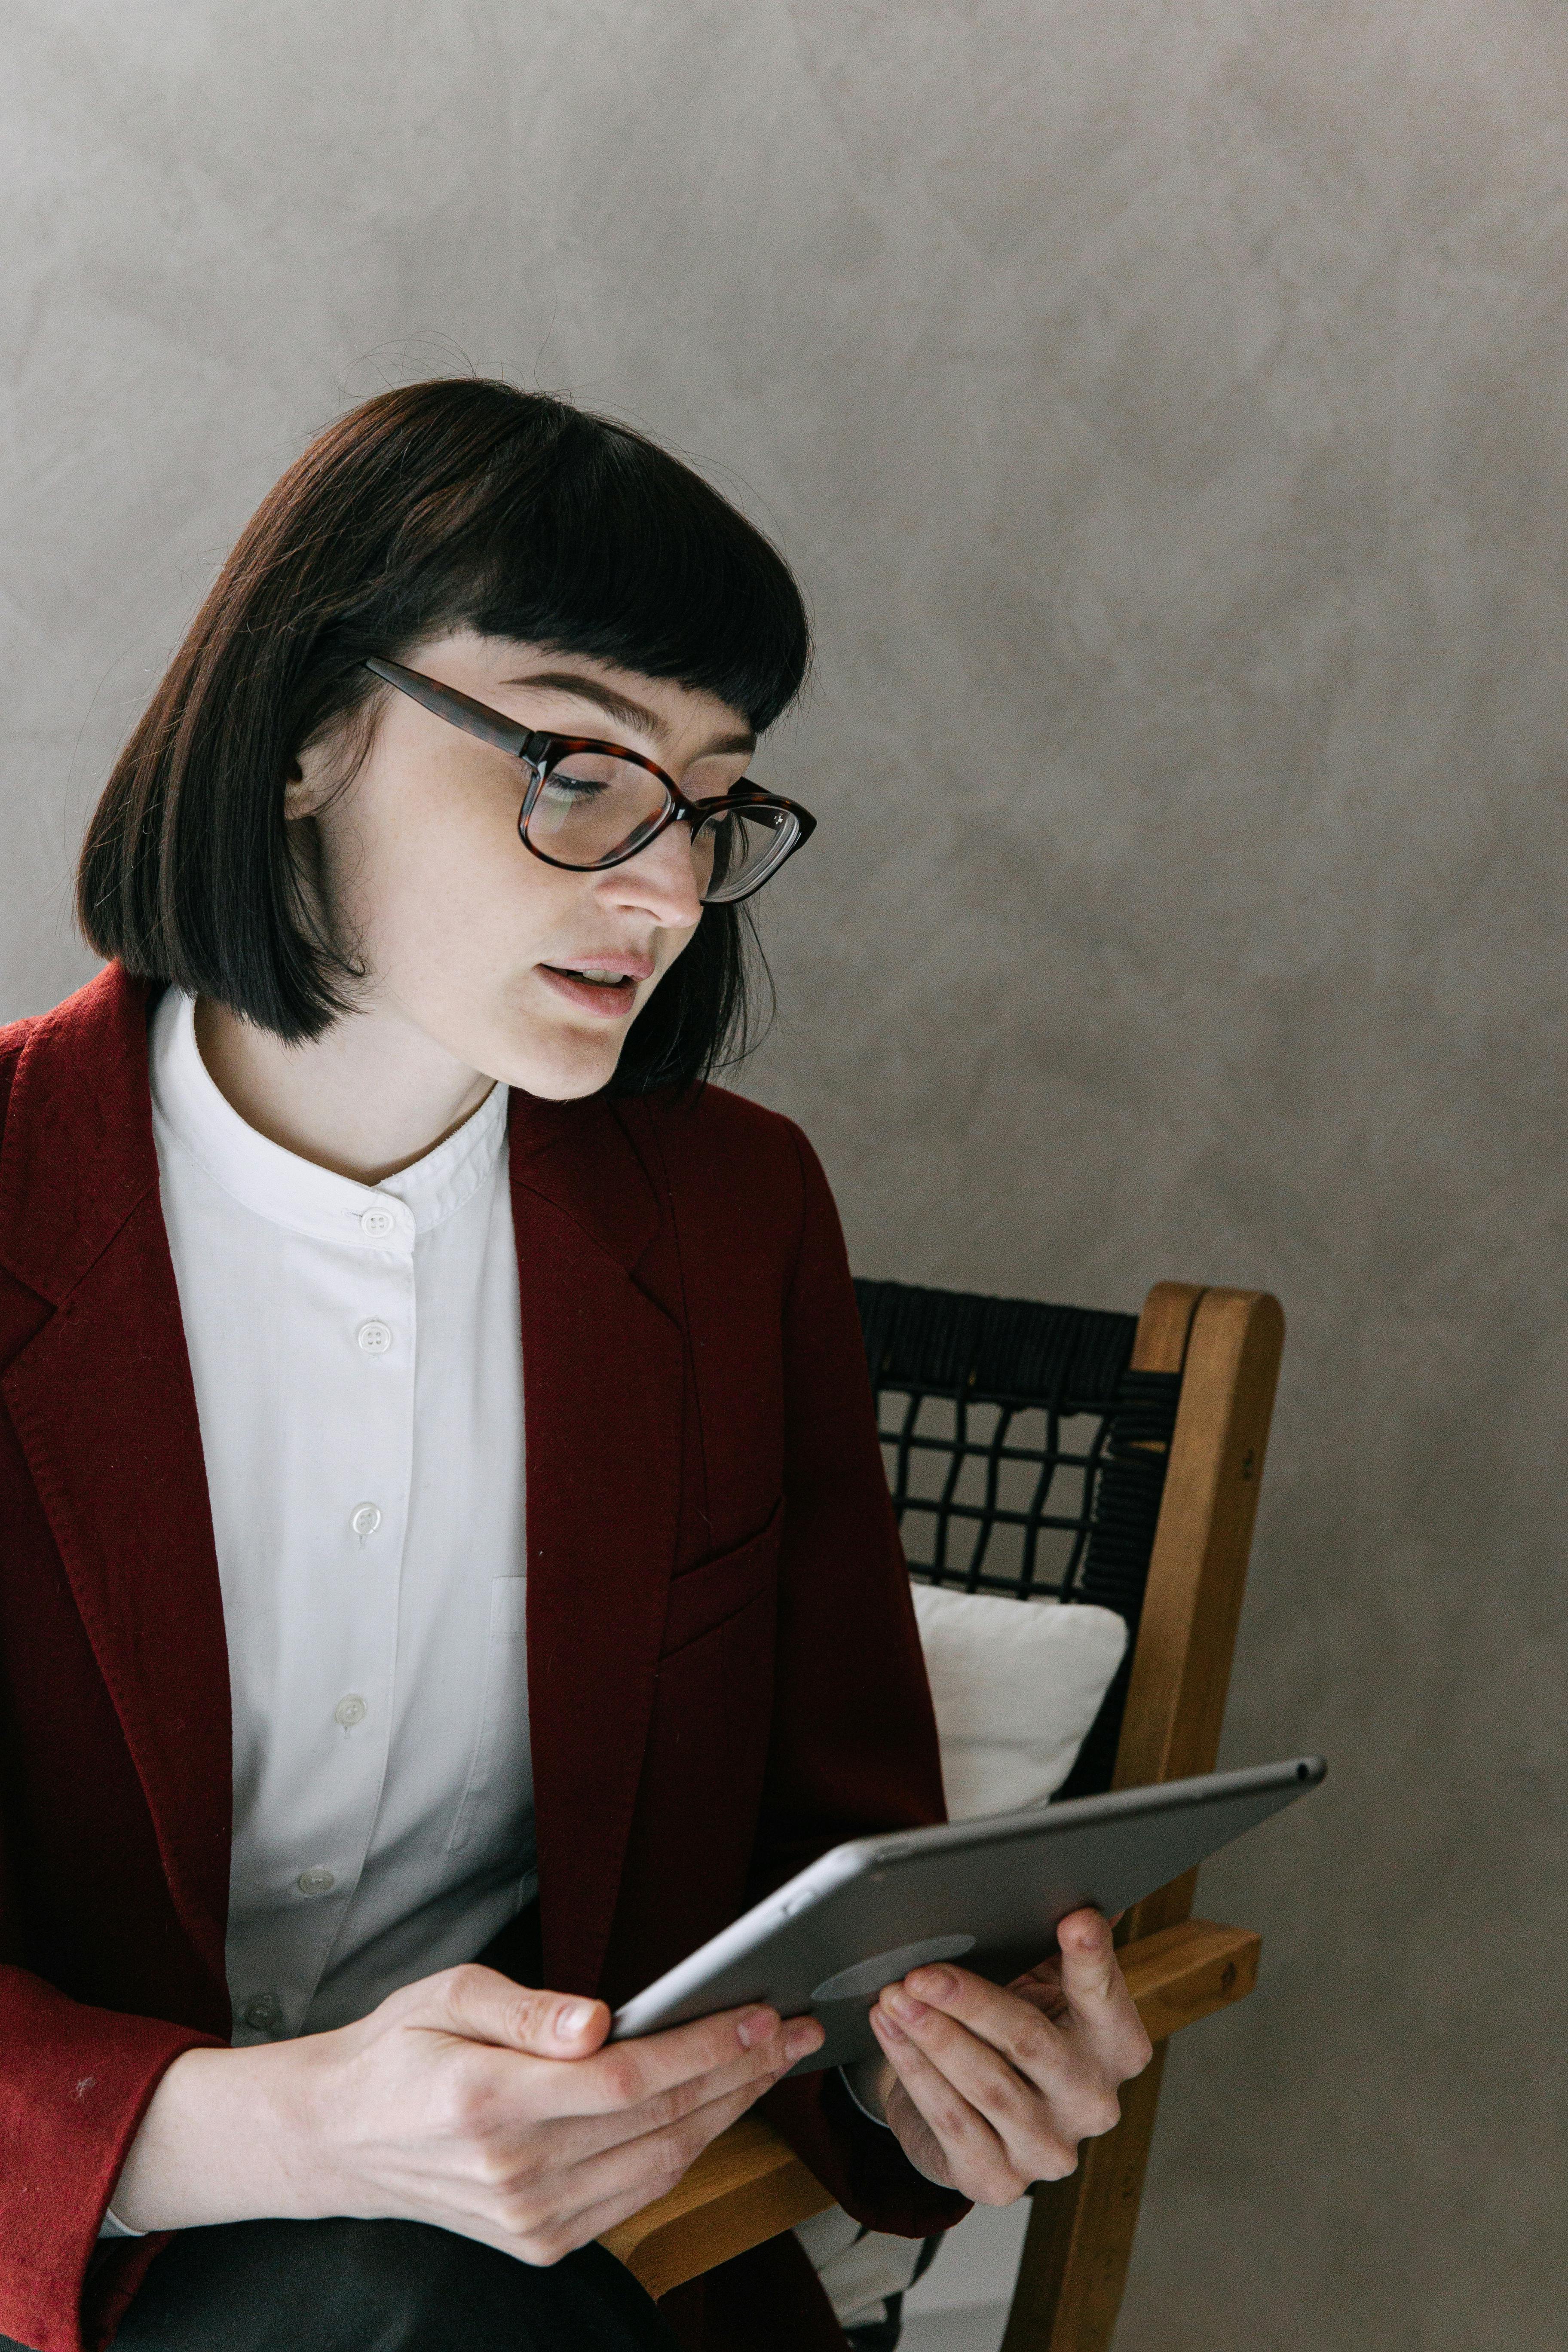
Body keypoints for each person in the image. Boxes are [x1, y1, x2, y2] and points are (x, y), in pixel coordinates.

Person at [0, 380, 1152, 2352]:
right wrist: (285, 2129)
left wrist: (929, 2068)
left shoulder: (728, 1222)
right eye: (578, 765)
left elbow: (832, 1855)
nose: (671, 887)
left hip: (590, 2270)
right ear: (300, 733)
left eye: (711, 797)